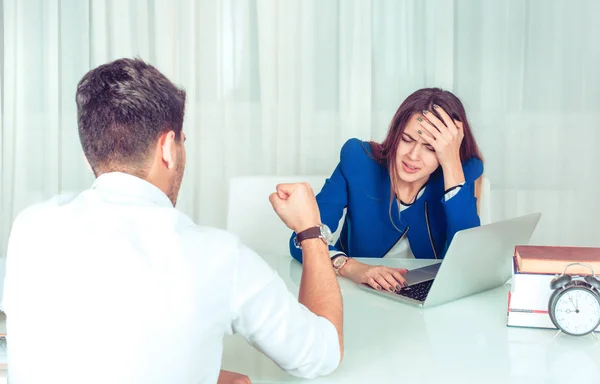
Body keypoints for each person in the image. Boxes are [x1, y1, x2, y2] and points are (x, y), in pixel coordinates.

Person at [3, 58, 343, 384]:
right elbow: (322, 354)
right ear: (167, 147)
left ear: (88, 153)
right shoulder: (218, 257)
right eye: (182, 141)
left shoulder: (30, 227)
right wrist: (310, 230)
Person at [289, 88, 484, 293]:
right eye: (407, 139)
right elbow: (302, 239)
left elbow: (469, 259)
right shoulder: (359, 161)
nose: (413, 155)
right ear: (395, 134)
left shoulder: (459, 173)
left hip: (427, 297)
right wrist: (352, 268)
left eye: (431, 148)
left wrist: (452, 164)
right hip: (353, 291)